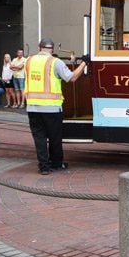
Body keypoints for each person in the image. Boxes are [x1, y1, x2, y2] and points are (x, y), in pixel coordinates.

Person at [24, 37, 87, 174]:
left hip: (32, 107)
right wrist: (83, 63)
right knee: (54, 137)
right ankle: (56, 164)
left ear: (39, 48)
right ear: (52, 49)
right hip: (51, 107)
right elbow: (72, 77)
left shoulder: (28, 61)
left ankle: (44, 167)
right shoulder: (55, 62)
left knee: (39, 138)